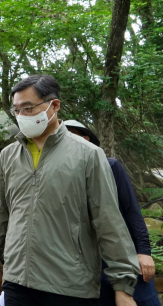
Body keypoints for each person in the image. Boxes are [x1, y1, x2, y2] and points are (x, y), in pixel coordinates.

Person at [0, 74, 140, 306]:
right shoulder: (9, 156)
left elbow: (107, 220)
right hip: (17, 280)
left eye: (28, 108)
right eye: (16, 110)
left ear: (54, 105)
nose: (21, 116)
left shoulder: (88, 154)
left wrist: (123, 286)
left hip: (70, 284)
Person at [64, 120, 161, 306]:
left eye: (71, 136)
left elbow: (132, 211)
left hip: (126, 259)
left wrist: (144, 252)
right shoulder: (61, 176)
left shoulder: (111, 166)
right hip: (89, 267)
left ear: (86, 140)